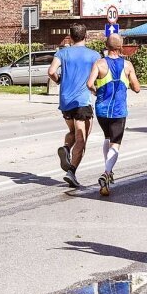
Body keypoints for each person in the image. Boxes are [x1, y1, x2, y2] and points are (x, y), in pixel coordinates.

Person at [47, 23, 101, 188]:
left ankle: (65, 147)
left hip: (65, 101)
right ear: (86, 36)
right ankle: (71, 172)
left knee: (72, 131)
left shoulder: (62, 53)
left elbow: (51, 71)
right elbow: (100, 74)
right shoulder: (94, 55)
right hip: (82, 101)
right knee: (82, 139)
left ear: (70, 36)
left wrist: (59, 80)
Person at [87, 33, 141, 196]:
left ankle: (107, 175)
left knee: (107, 138)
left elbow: (89, 84)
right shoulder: (127, 65)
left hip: (102, 110)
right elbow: (137, 88)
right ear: (121, 47)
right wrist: (127, 84)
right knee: (115, 143)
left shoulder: (100, 64)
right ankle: (106, 173)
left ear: (106, 46)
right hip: (118, 110)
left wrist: (97, 91)